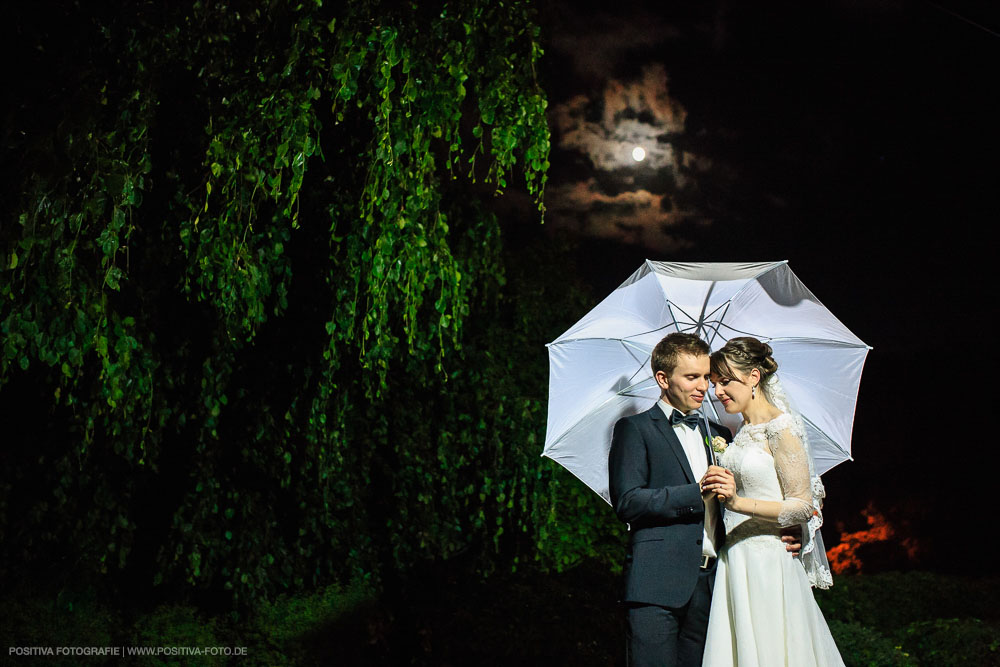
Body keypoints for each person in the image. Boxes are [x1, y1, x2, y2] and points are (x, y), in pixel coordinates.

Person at [700, 337, 844, 666]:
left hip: (767, 559)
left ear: (753, 377)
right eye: (714, 384)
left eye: (725, 382)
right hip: (734, 557)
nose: (718, 392)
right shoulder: (739, 432)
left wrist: (737, 503)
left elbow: (801, 505)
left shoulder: (782, 428)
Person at [606, 333, 734, 667]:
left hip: (713, 583)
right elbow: (628, 502)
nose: (703, 386)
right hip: (656, 584)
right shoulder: (635, 429)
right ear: (663, 379)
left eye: (706, 376)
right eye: (692, 377)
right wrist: (695, 492)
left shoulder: (720, 435)